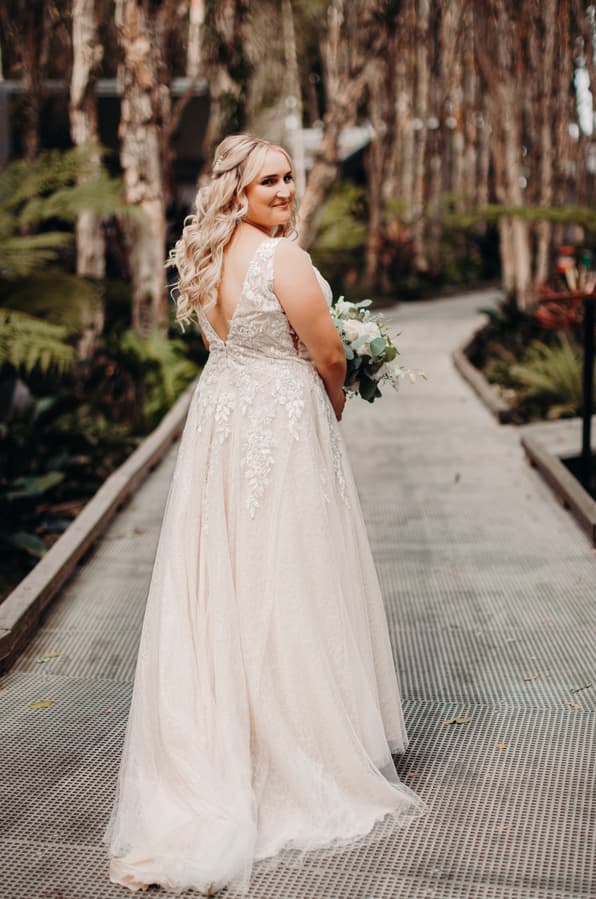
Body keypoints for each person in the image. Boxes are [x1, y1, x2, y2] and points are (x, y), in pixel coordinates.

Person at [103, 134, 427, 895]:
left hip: (220, 425)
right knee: (292, 575)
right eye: (268, 180)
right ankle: (296, 747)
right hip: (280, 428)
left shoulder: (203, 258)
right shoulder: (285, 261)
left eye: (288, 175)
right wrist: (336, 407)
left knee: (223, 578)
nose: (284, 189)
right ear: (238, 191)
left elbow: (226, 342)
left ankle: (229, 736)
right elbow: (330, 356)